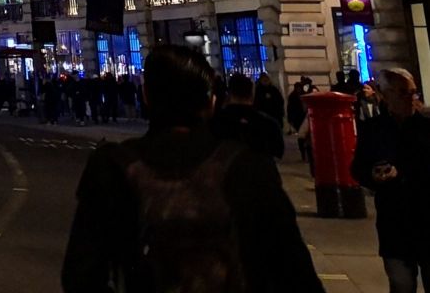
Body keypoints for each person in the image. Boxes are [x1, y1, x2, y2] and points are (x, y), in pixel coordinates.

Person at [62, 45, 323, 293]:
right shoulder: (249, 166)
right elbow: (294, 270)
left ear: (146, 97)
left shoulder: (112, 166)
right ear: (211, 103)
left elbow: (80, 275)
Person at [350, 66, 430, 293]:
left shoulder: (426, 127)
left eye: (413, 92)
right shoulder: (373, 129)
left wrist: (402, 173)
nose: (410, 98)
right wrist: (372, 176)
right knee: (401, 285)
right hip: (394, 223)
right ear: (384, 95)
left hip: (426, 218)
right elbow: (358, 168)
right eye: (402, 92)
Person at [214, 73, 285, 160]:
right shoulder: (268, 124)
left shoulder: (216, 121)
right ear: (252, 94)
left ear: (229, 94)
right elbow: (278, 151)